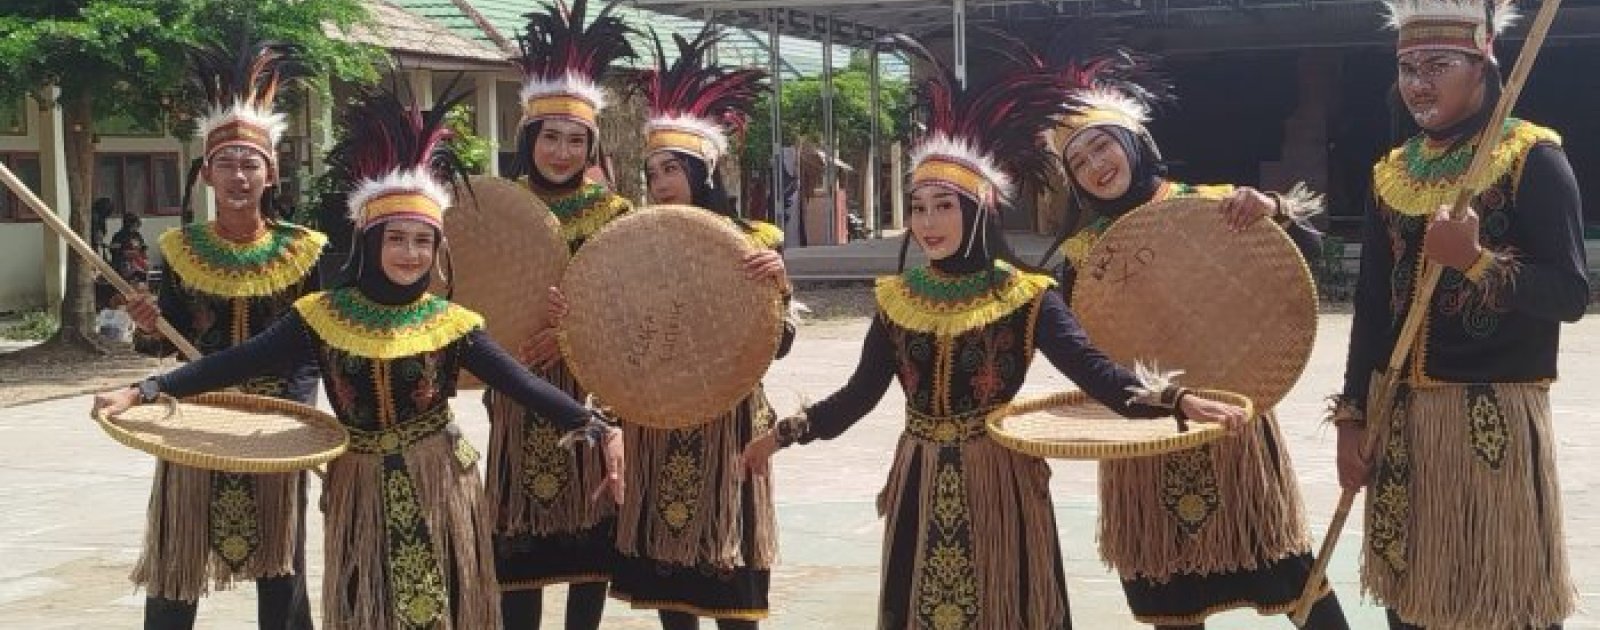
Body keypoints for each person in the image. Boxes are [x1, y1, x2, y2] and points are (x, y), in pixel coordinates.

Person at [739, 37, 1248, 629]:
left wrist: (1176, 400)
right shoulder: (896, 300)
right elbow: (858, 396)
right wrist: (784, 435)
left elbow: (1097, 375)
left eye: (945, 206)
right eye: (919, 206)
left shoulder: (1025, 295)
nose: (928, 223)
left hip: (1000, 482)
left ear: (978, 210)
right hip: (919, 482)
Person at [100, 77, 623, 630]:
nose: (409, 252)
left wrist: (599, 429)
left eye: (423, 241)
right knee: (362, 605)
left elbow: (522, 384)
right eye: (396, 238)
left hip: (439, 482)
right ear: (370, 243)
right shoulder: (323, 316)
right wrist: (144, 390)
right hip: (360, 487)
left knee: (441, 609)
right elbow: (233, 361)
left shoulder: (452, 324)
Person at [1042, 56, 1349, 629]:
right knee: (1171, 594)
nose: (1095, 166)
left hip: (1232, 422)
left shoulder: (1214, 203)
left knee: (1290, 574)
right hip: (1149, 438)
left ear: (1133, 142)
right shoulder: (1084, 256)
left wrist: (1276, 212)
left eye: (1101, 146)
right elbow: (1084, 350)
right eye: (1078, 162)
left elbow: (1301, 265)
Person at [1334, 1, 1584, 627]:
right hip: (1400, 416)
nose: (1419, 82)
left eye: (1438, 64)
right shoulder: (1392, 172)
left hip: (1488, 419)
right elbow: (1369, 304)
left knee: (1501, 601)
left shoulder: (1531, 156)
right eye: (1407, 66)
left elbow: (1570, 294)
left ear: (1483, 62)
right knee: (1412, 602)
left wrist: (1475, 261)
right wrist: (1351, 418)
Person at [120, 40, 322, 630]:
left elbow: (310, 348)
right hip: (196, 417)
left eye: (250, 163)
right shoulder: (179, 250)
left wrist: (296, 416)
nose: (239, 175)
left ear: (271, 172)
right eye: (227, 163)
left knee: (281, 564)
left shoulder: (304, 251)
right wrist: (149, 327)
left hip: (273, 422)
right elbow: (173, 340)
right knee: (178, 556)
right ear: (207, 172)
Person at [601, 26, 790, 630]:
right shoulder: (635, 249)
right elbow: (621, 335)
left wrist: (777, 291)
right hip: (657, 422)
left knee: (732, 581)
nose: (659, 184)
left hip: (728, 423)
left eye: (671, 170)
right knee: (670, 581)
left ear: (702, 172)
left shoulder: (753, 246)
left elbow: (780, 344)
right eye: (652, 173)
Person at [489, 2, 637, 628]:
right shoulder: (496, 207)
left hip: (591, 390)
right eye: (550, 136)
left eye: (576, 140)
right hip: (517, 387)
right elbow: (464, 296)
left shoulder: (616, 215)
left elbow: (635, 308)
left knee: (588, 537)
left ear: (592, 146)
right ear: (528, 138)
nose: (561, 150)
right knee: (518, 541)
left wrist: (572, 331)